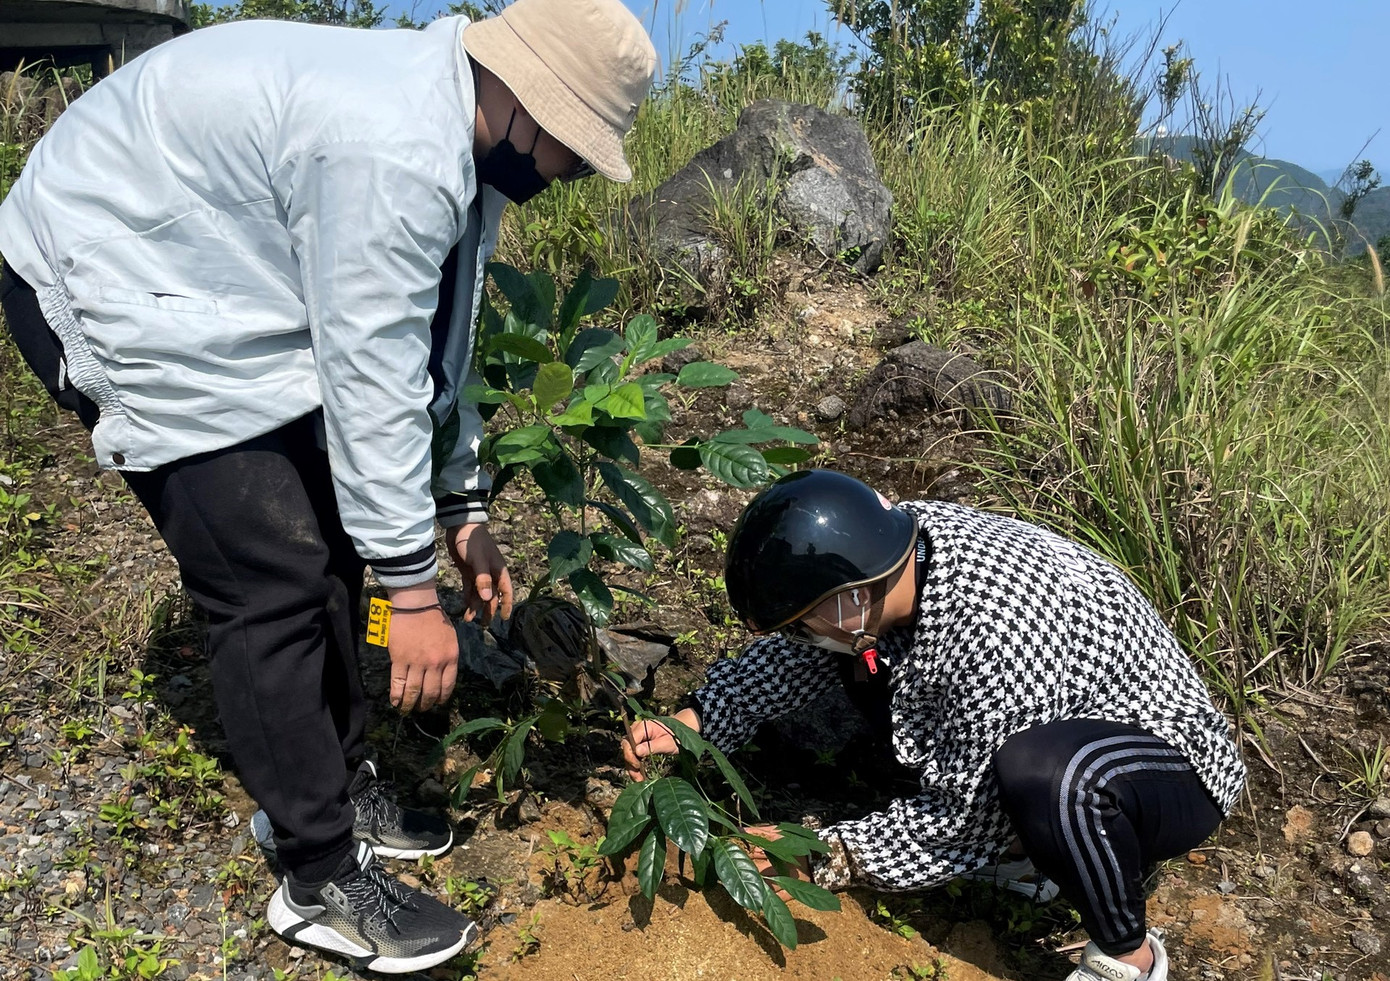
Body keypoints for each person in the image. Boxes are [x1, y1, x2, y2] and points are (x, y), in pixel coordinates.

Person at [0, 0, 656, 972]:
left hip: (217, 282)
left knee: (337, 539)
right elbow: (367, 369)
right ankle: (315, 877)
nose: (564, 173)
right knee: (269, 574)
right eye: (571, 146)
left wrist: (463, 510)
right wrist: (413, 590)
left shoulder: (452, 134)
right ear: (526, 102)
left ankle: (336, 788)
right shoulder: (389, 147)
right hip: (110, 272)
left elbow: (433, 349)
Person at [624, 469, 1245, 981]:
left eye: (804, 621)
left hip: (1161, 766)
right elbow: (798, 654)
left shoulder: (996, 630)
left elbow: (967, 813)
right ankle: (1028, 854)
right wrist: (700, 717)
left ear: (848, 601)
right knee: (875, 670)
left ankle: (1129, 957)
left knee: (1051, 776)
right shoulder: (886, 549)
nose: (799, 638)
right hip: (1048, 716)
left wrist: (825, 854)